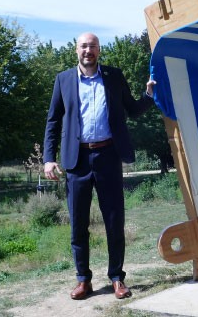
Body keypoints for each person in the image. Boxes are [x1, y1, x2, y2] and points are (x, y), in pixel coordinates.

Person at [43, 32, 156, 300]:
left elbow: (132, 109)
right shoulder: (64, 80)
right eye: (83, 46)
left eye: (92, 46)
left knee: (114, 221)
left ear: (99, 50)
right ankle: (84, 280)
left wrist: (149, 95)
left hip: (108, 156)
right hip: (77, 160)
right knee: (78, 224)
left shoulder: (114, 77)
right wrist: (49, 158)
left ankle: (117, 277)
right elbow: (53, 121)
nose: (88, 50)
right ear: (76, 50)